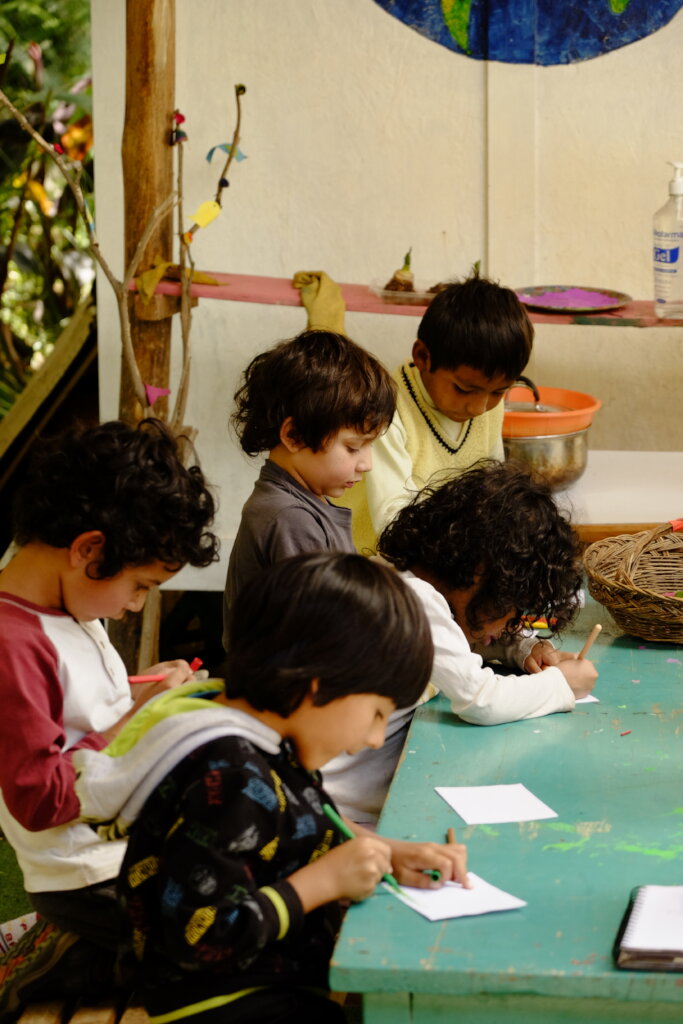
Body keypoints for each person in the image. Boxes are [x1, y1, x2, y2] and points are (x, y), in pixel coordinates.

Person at [74, 553, 469, 1024]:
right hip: (227, 1007)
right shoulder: (229, 775)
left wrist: (391, 851)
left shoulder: (268, 743)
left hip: (268, 988)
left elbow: (303, 826)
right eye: (378, 713)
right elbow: (200, 936)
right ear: (320, 687)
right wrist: (322, 883)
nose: (374, 739)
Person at [0, 418, 219, 1018]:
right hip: (89, 876)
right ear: (89, 549)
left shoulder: (70, 608)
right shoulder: (13, 642)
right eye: (142, 585)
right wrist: (138, 718)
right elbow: (38, 799)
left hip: (127, 846)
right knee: (243, 942)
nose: (136, 603)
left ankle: (101, 954)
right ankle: (78, 958)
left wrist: (146, 689)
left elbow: (81, 714)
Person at [321, 461, 598, 824]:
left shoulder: (397, 577)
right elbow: (480, 700)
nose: (507, 623)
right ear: (482, 575)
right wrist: (562, 685)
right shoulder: (415, 601)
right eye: (510, 607)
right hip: (345, 819)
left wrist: (522, 648)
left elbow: (458, 638)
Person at [337, 271, 534, 553]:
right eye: (464, 390)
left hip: (442, 559)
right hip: (372, 565)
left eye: (498, 392)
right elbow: (393, 523)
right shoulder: (385, 408)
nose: (479, 408)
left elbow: (493, 490)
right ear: (423, 357)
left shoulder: (488, 402)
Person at [222, 329, 395, 646]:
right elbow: (321, 630)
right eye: (354, 448)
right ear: (295, 436)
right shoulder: (291, 518)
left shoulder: (306, 501)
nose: (366, 463)